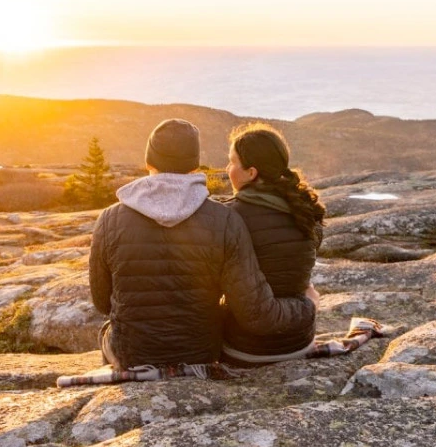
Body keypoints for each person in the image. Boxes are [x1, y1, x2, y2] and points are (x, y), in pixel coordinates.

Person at [89, 118, 316, 370]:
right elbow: (247, 303)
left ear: (148, 162)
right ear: (194, 164)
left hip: (133, 354)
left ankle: (120, 383)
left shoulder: (109, 219)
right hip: (201, 351)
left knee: (107, 332)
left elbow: (102, 302)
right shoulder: (224, 219)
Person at [222, 123, 326, 364]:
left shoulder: (229, 217)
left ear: (251, 173)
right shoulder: (305, 210)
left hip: (245, 348)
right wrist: (309, 303)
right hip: (300, 342)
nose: (227, 168)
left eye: (232, 161)